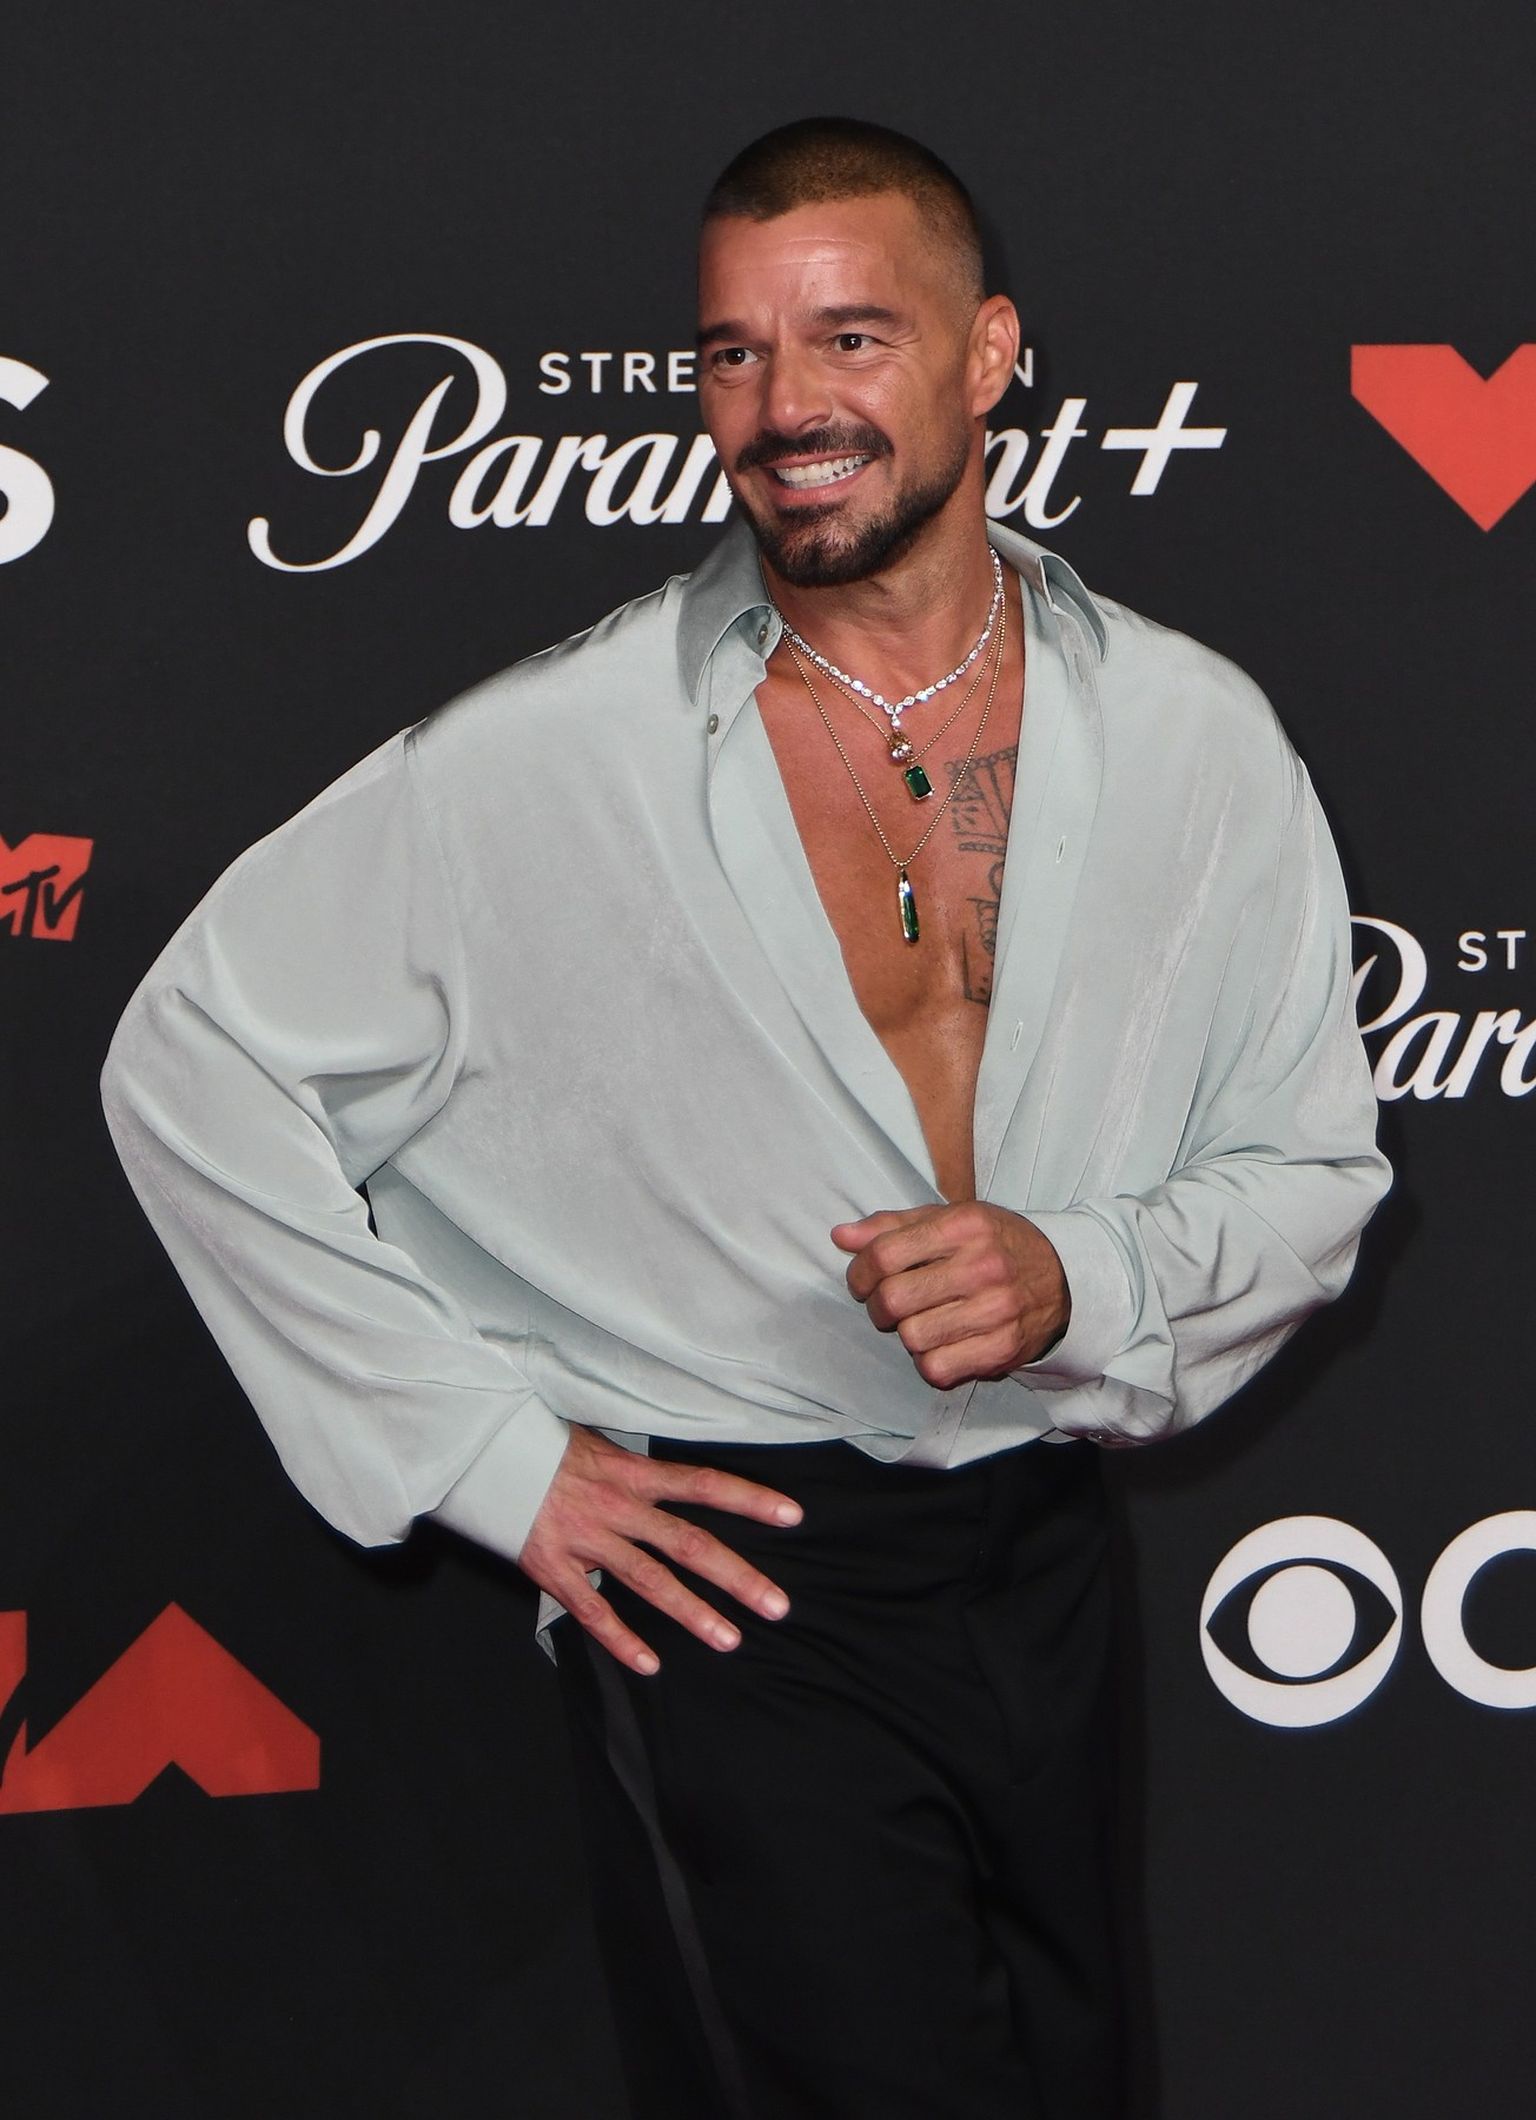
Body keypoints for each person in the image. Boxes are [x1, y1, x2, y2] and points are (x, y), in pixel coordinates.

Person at [100, 116, 1390, 2120]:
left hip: (1042, 1552)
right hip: (736, 1574)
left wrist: (1078, 1272)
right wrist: (489, 1458)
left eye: (851, 338)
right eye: (732, 352)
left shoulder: (1194, 733)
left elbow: (1314, 1170)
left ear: (989, 355)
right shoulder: (551, 753)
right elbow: (192, 1058)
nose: (785, 407)